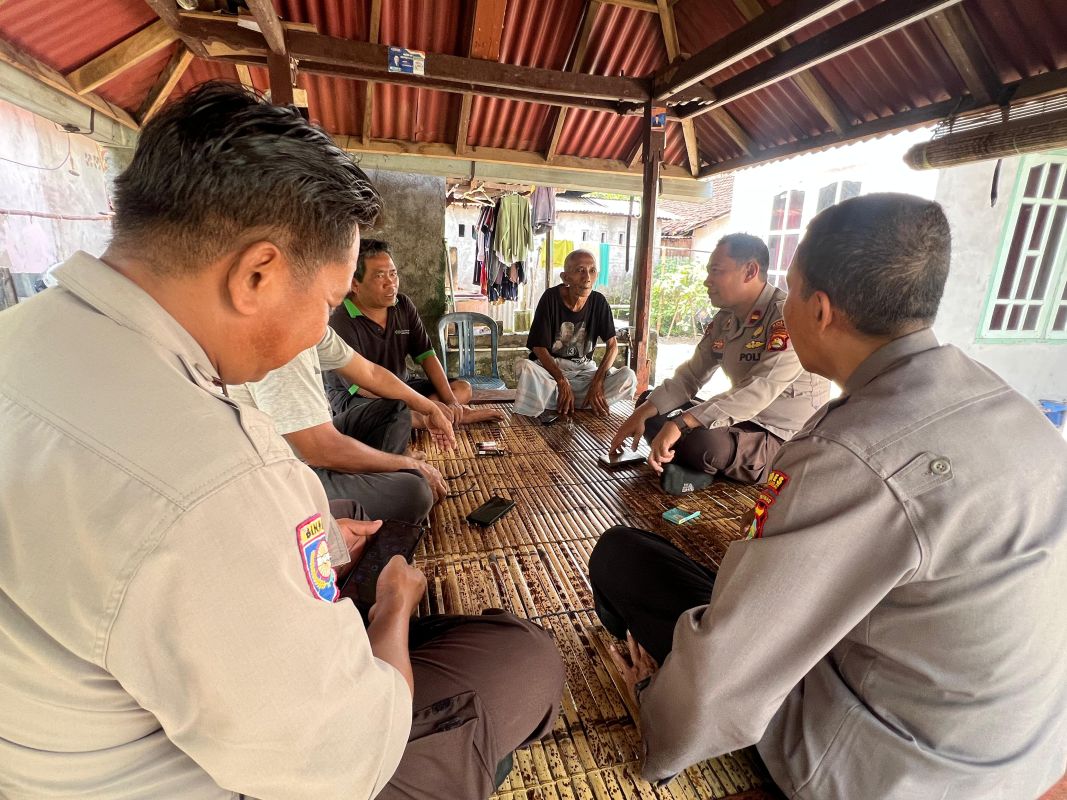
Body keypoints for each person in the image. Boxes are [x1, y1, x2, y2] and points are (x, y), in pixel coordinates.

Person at [0, 82, 563, 800]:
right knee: (522, 659)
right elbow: (342, 761)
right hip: (205, 777)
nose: (322, 328)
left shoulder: (20, 335)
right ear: (257, 275)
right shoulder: (217, 476)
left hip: (55, 752)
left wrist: (302, 533)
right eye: (326, 302)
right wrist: (392, 610)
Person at [589, 194, 1067, 799]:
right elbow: (692, 377)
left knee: (625, 556)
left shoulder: (844, 454)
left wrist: (653, 711)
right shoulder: (1013, 408)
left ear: (818, 310)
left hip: (894, 768)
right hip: (1026, 751)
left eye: (791, 290)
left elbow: (725, 670)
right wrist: (656, 411)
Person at [610, 233, 829, 495]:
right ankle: (692, 466)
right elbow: (690, 375)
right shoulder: (725, 319)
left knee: (701, 441)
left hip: (778, 435)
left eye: (716, 271)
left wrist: (681, 423)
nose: (707, 280)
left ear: (750, 271)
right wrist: (642, 413)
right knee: (651, 405)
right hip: (736, 422)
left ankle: (694, 466)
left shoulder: (785, 318)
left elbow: (759, 389)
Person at [228, 324, 452, 521]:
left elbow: (371, 373)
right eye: (331, 298)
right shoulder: (280, 343)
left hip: (317, 446)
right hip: (287, 476)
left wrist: (429, 408)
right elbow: (321, 451)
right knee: (415, 492)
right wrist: (410, 464)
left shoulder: (311, 326)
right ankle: (376, 483)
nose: (336, 307)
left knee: (395, 410)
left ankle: (372, 479)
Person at [325, 239, 502, 426]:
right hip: (360, 396)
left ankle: (435, 415)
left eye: (393, 274)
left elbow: (427, 356)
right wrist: (427, 405)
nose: (391, 283)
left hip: (403, 387)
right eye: (379, 276)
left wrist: (451, 402)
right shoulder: (340, 319)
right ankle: (432, 417)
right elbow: (363, 385)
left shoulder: (403, 306)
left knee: (462, 389)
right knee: (385, 416)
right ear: (355, 284)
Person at [514, 249, 636, 419]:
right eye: (580, 270)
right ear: (566, 278)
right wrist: (561, 380)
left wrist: (597, 381)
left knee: (628, 377)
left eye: (592, 271)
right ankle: (579, 401)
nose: (587, 278)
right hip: (551, 371)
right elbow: (538, 347)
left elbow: (613, 346)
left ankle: (563, 401)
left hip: (584, 371)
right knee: (525, 367)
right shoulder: (550, 298)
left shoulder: (599, 302)